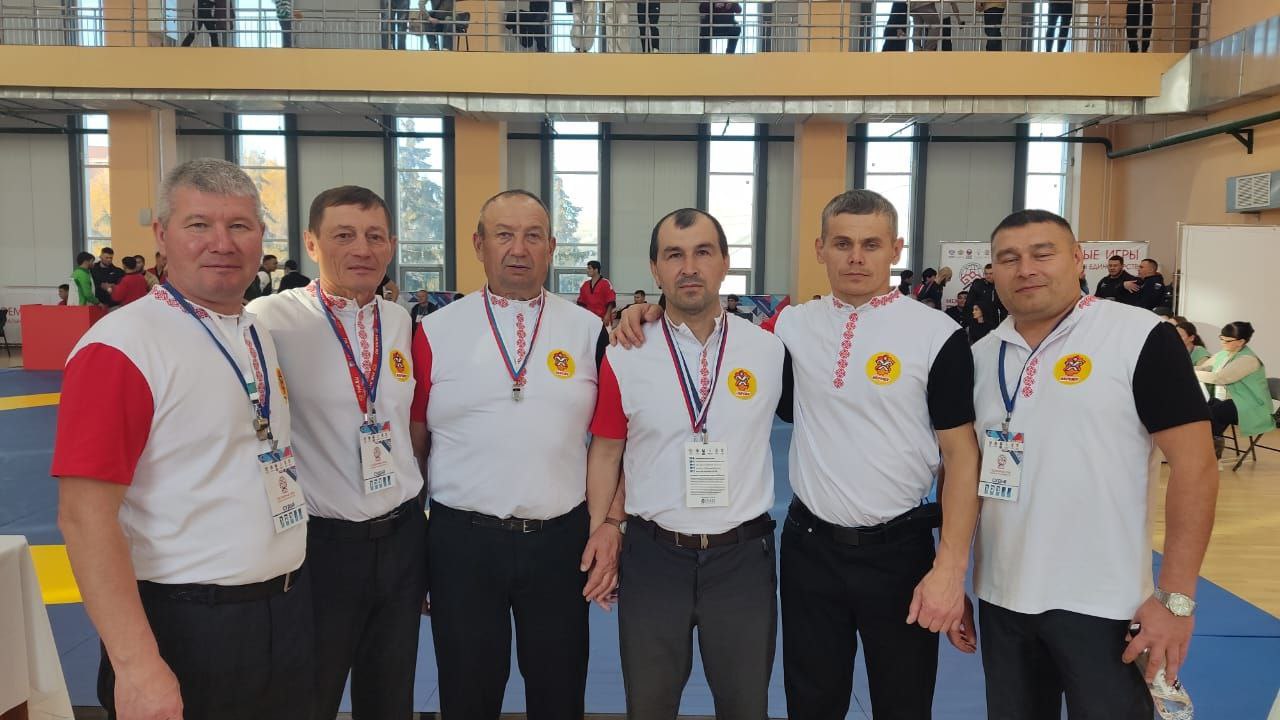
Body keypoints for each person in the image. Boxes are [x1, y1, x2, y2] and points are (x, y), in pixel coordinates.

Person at [615, 189, 981, 720]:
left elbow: (962, 457)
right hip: (811, 552)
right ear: (820, 249)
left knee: (904, 704)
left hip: (899, 552)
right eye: (843, 244)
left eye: (871, 244)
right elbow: (705, 330)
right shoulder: (789, 328)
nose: (856, 258)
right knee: (810, 703)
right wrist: (646, 311)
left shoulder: (937, 335)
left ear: (895, 248)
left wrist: (950, 567)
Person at [51, 158, 312, 720]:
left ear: (260, 237)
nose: (222, 242)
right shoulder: (121, 347)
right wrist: (136, 665)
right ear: (162, 234)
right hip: (186, 625)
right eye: (199, 224)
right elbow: (84, 517)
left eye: (239, 226)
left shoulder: (254, 330)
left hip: (284, 609)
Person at [969, 209, 1217, 719]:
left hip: (1106, 603)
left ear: (1079, 259)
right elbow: (963, 473)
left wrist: (1176, 598)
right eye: (1009, 258)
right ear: (993, 271)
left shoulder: (1138, 336)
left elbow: (1196, 467)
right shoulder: (980, 355)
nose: (1026, 269)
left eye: (1043, 253)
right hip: (1002, 599)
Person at [411, 190, 609, 719]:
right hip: (462, 544)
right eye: (504, 235)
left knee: (560, 694)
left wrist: (610, 525)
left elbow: (613, 441)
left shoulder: (589, 331)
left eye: (532, 236)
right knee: (467, 696)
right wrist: (415, 549)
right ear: (479, 245)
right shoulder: (434, 331)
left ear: (551, 247)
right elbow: (415, 444)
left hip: (560, 542)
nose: (518, 249)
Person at [588, 208, 787, 718]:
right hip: (654, 558)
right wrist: (603, 529)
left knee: (746, 708)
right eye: (674, 255)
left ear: (724, 262)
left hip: (743, 559)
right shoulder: (624, 353)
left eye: (703, 252)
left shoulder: (770, 350)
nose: (689, 267)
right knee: (649, 707)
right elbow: (607, 450)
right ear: (655, 270)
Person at [248, 186, 428, 720]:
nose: (362, 249)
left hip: (401, 538)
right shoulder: (269, 319)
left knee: (391, 696)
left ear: (391, 245)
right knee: (310, 696)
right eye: (344, 236)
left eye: (375, 237)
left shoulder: (398, 321)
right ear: (311, 243)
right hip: (321, 546)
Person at [1195, 321, 1276, 458]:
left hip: (1252, 405)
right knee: (1205, 408)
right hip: (1235, 401)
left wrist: (1190, 373)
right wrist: (1186, 369)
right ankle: (1207, 450)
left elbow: (1220, 378)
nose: (1223, 343)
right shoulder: (1225, 353)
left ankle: (1211, 454)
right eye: (1221, 338)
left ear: (1241, 342)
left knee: (1214, 412)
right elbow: (1205, 368)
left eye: (1227, 340)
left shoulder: (1248, 359)